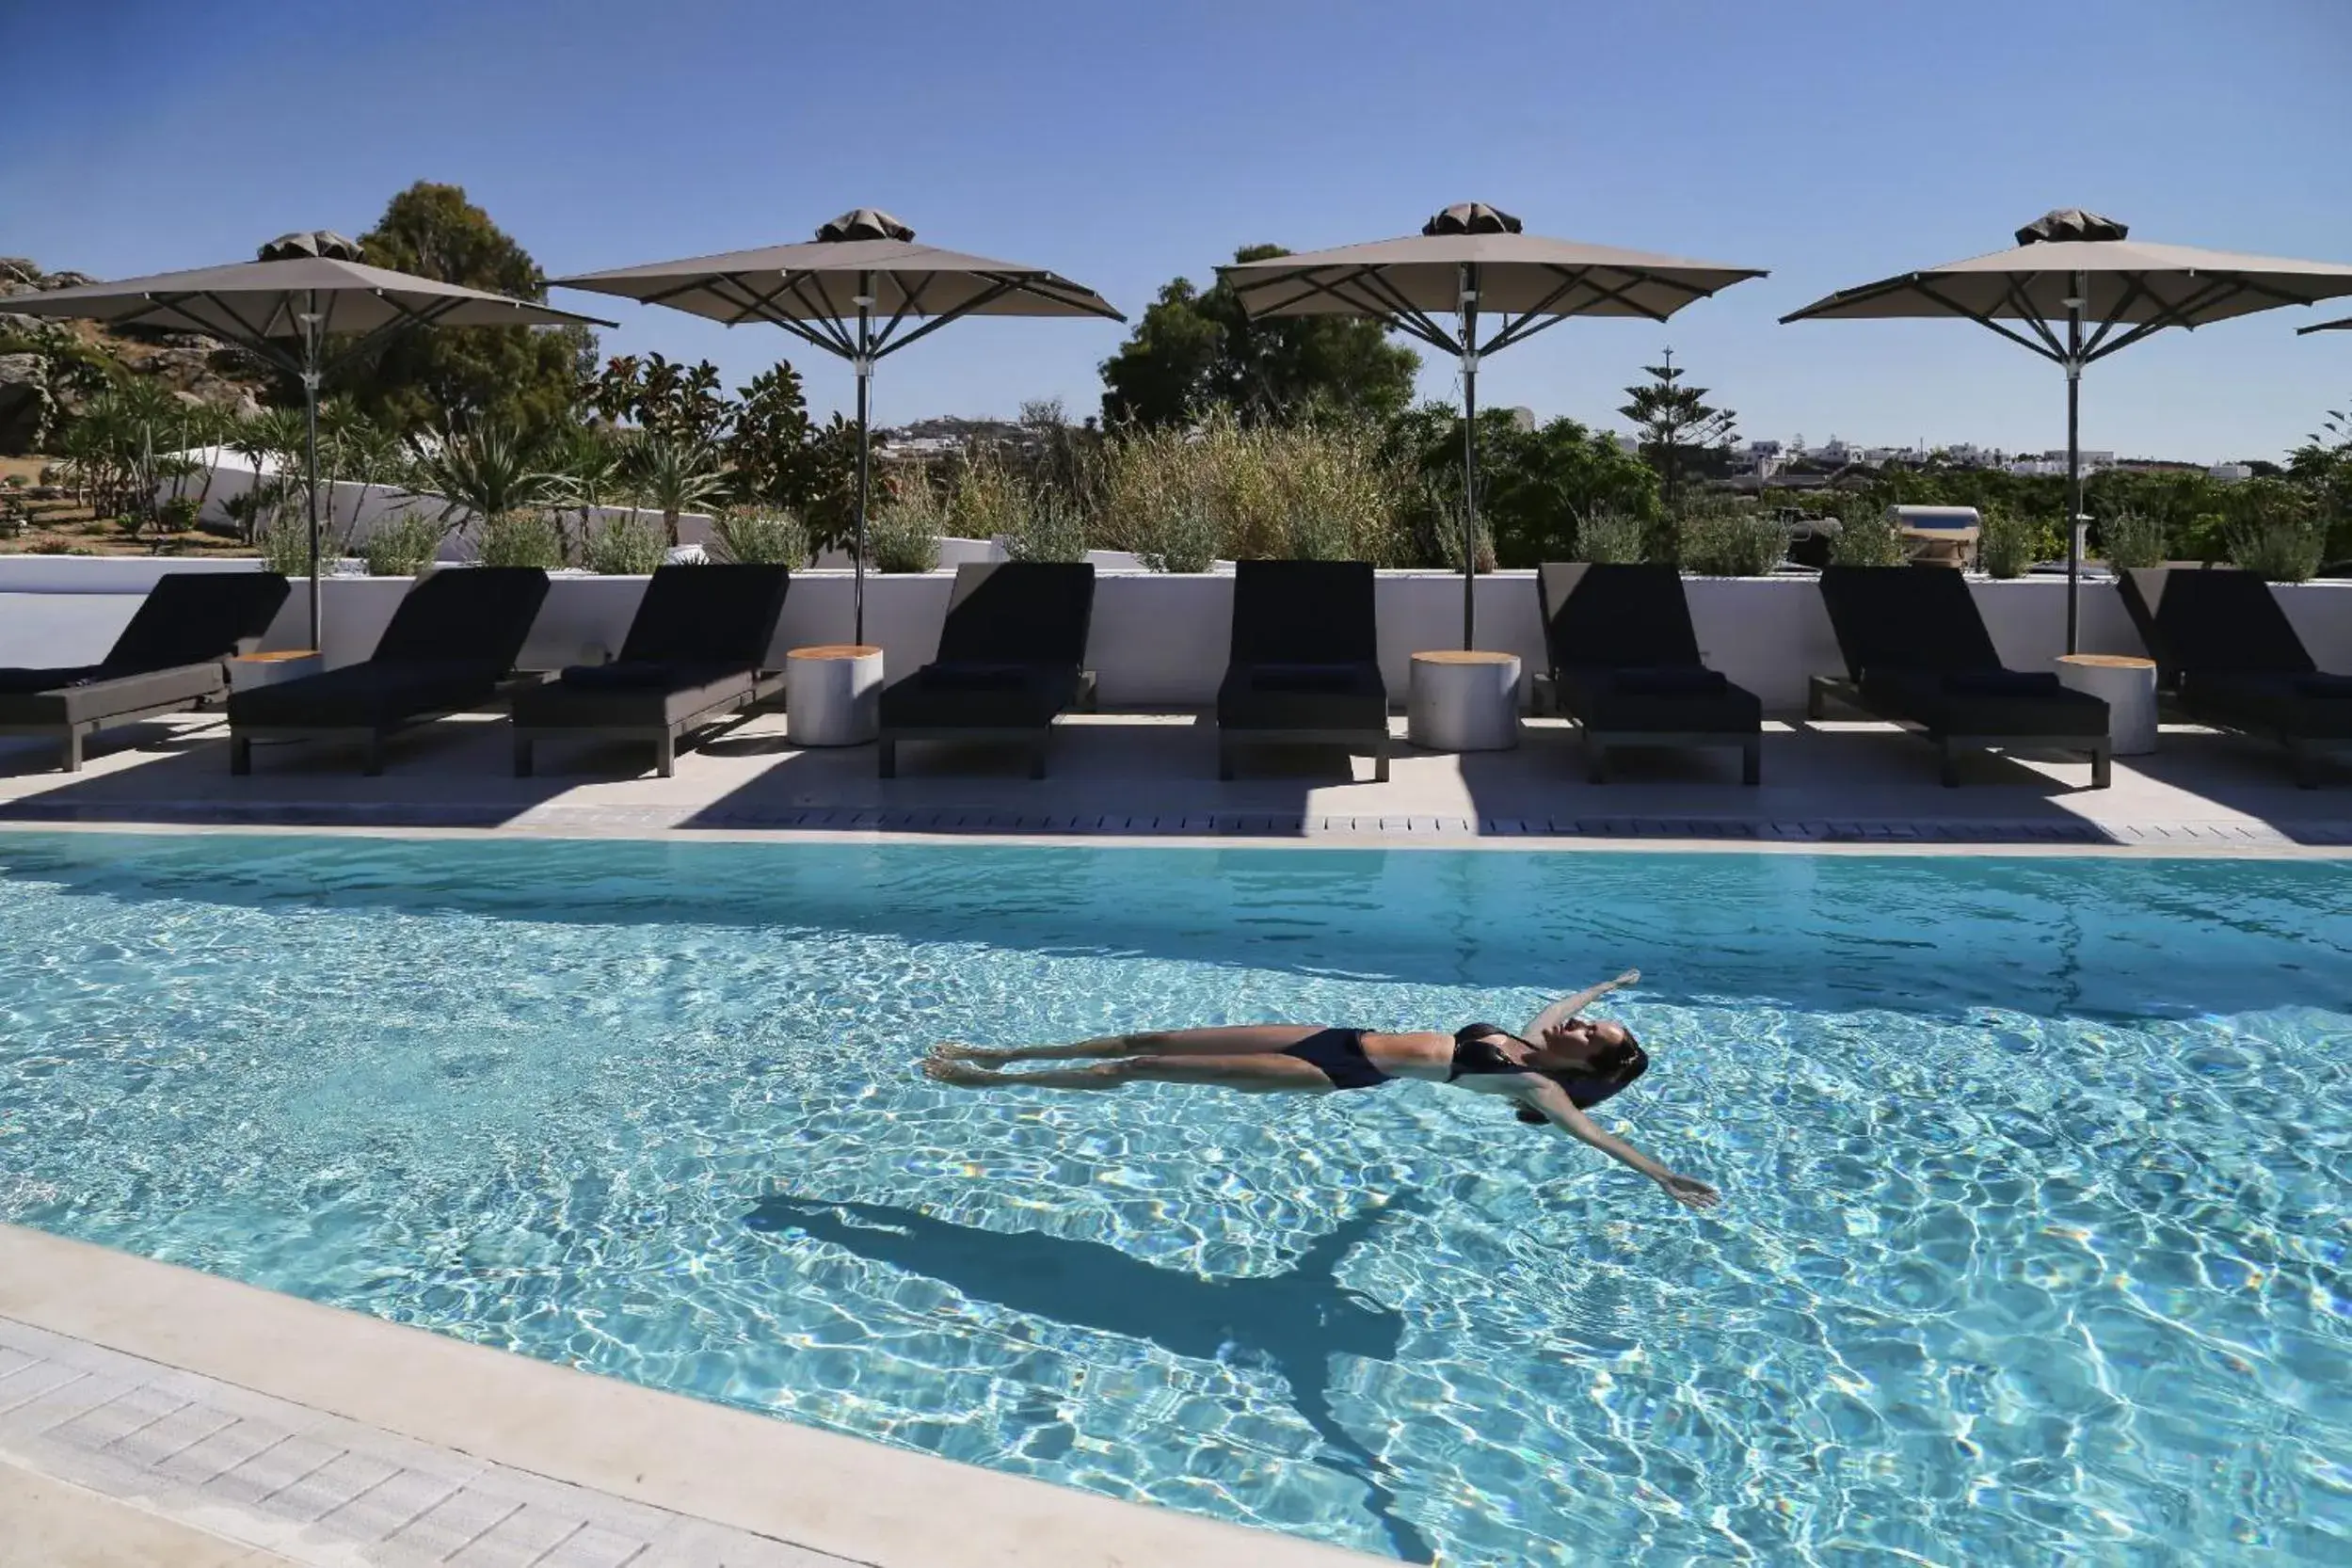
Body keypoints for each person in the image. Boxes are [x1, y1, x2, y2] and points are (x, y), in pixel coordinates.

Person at [924, 969, 1720, 1209]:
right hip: (1332, 1033)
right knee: (1146, 1040)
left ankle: (994, 1082)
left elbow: (1595, 1137)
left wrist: (1659, 1175)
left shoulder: (1539, 1086)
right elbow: (1559, 1006)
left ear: (1584, 1072)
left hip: (1337, 1070)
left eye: (1590, 1040)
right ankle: (1004, 1052)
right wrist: (1606, 989)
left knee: (1138, 1071)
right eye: (1590, 1027)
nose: (1577, 1029)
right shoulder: (1524, 1036)